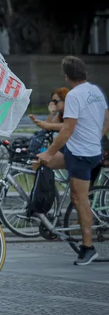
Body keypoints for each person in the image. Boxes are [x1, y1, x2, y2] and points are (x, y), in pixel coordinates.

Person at [37, 56, 109, 265]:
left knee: (80, 199)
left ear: (67, 77)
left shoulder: (75, 96)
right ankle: (44, 210)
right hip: (84, 151)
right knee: (44, 163)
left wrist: (50, 151)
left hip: (81, 155)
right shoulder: (95, 91)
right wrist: (97, 136)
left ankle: (88, 247)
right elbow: (106, 118)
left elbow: (67, 129)